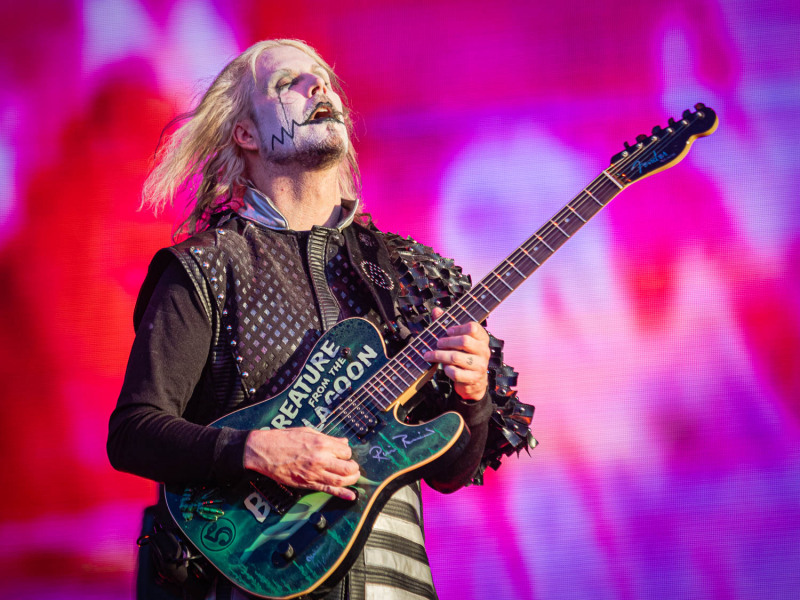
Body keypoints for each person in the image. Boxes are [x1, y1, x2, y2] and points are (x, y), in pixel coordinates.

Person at [108, 39, 533, 600]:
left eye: (324, 80)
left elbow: (450, 472)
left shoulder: (407, 274)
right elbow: (134, 433)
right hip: (254, 580)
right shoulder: (207, 267)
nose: (321, 88)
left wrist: (472, 394)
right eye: (289, 83)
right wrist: (255, 451)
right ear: (247, 134)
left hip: (396, 584)